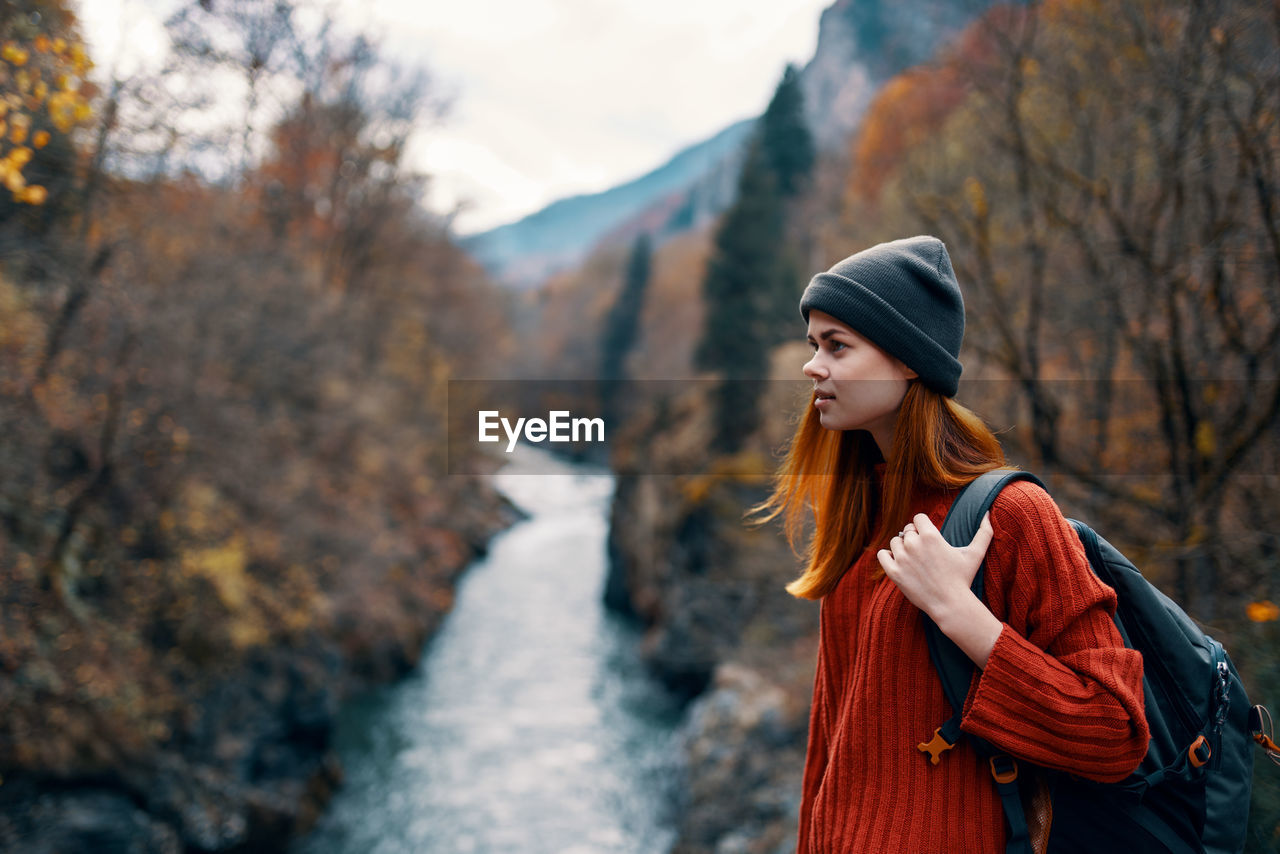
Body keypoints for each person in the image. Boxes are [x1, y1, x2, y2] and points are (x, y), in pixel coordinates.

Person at [753, 236, 1149, 853]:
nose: (812, 366)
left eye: (837, 346)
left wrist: (959, 614)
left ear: (909, 359)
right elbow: (829, 748)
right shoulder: (862, 512)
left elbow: (1115, 732)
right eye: (814, 345)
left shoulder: (1013, 515)